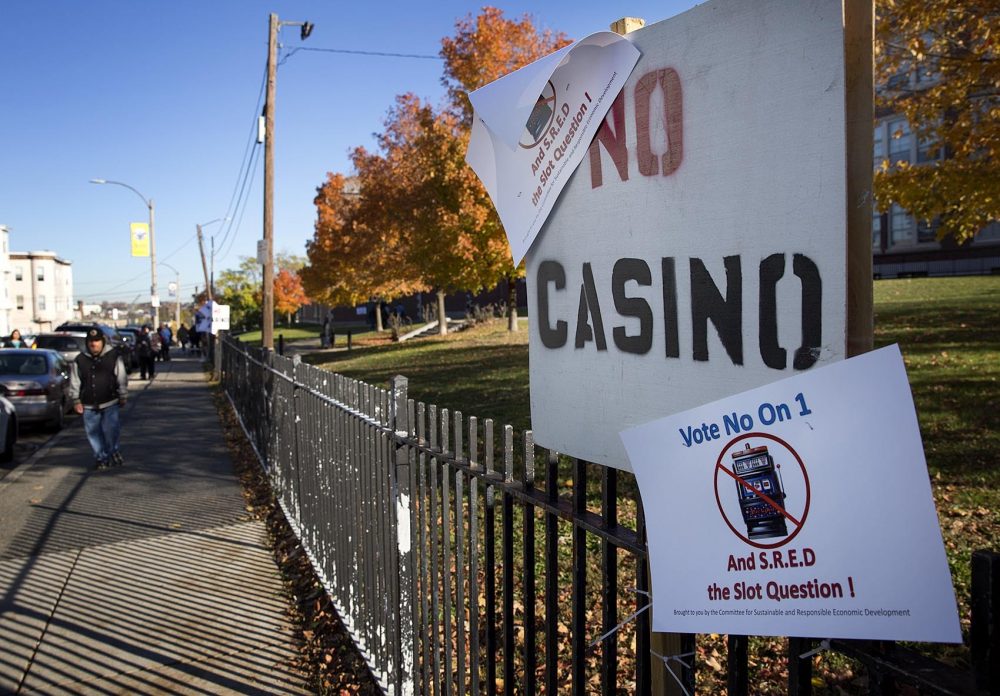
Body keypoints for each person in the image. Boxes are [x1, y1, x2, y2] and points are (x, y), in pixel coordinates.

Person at [69, 328, 128, 470]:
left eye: (96, 341)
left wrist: (123, 394)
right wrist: (75, 400)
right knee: (93, 433)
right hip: (88, 404)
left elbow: (121, 376)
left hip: (110, 401)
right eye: (91, 342)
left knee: (111, 430)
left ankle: (113, 450)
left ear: (102, 342)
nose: (94, 344)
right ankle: (101, 457)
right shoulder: (80, 359)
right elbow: (75, 381)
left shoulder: (113, 356)